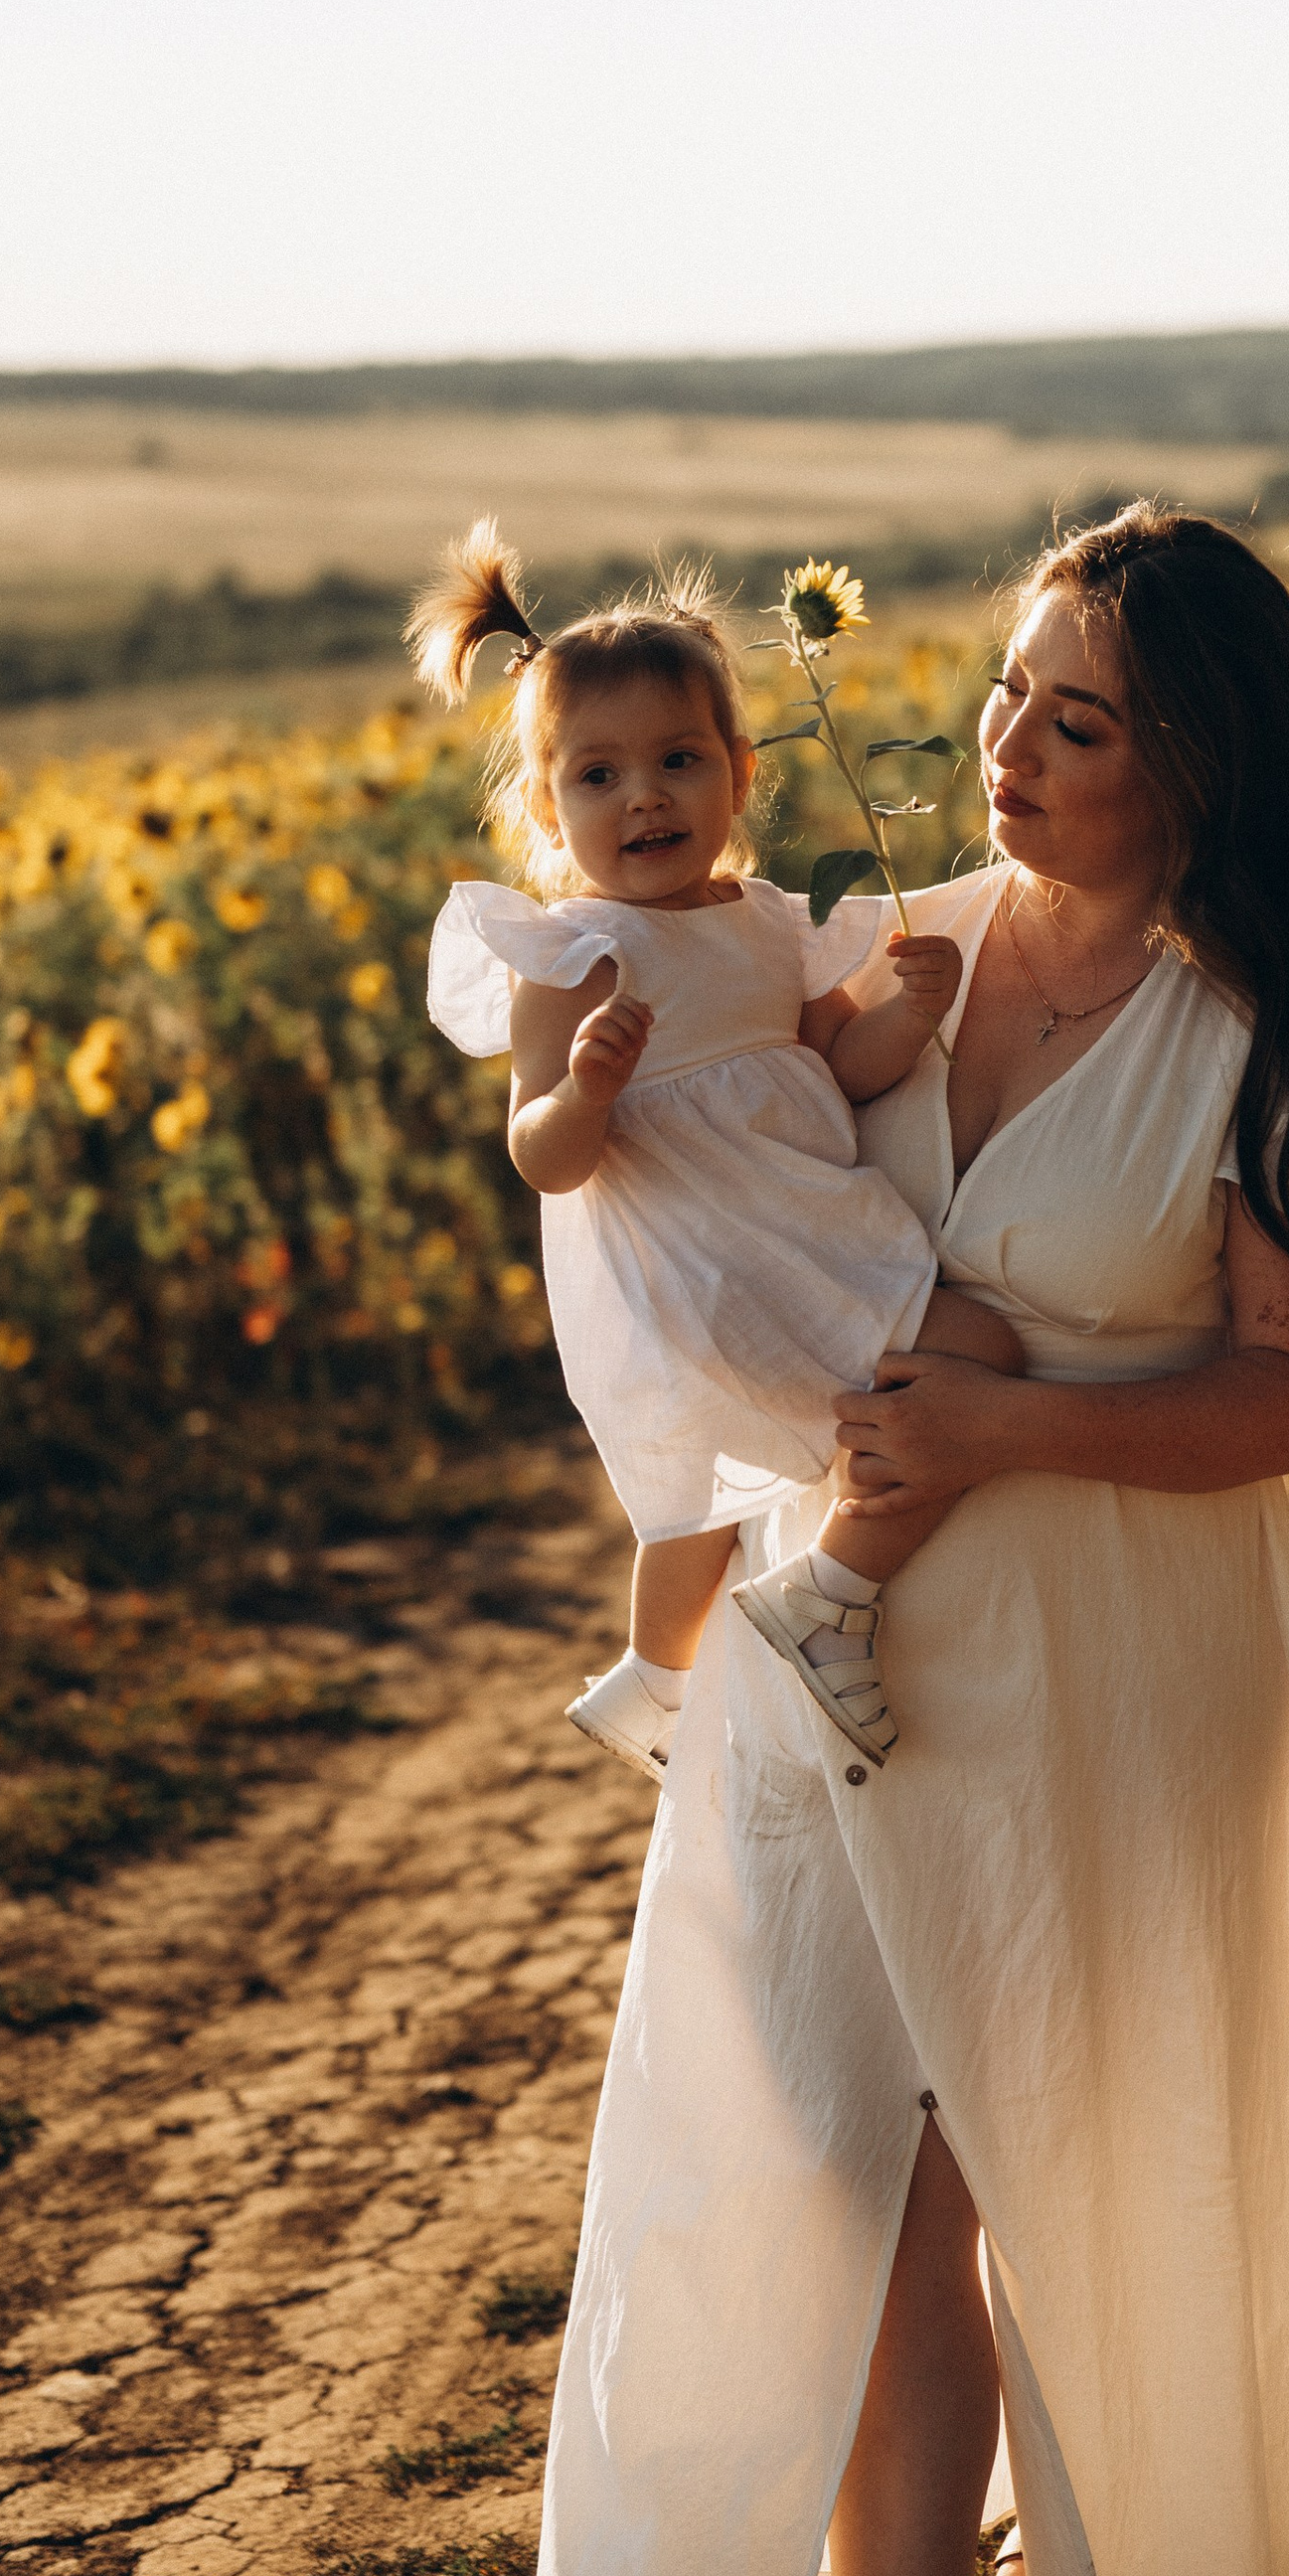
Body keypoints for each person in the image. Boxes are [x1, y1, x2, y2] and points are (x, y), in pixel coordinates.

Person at [525, 504, 1289, 2576]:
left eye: (1075, 722)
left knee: (1031, 2165)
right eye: (1004, 693)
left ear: (1193, 768)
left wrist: (1004, 1426)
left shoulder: (1243, 1028)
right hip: (824, 1658)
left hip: (1099, 1664)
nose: (1008, 748)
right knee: (846, 2176)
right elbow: (677, 1199)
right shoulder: (883, 954)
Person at [415, 522, 1026, 1778]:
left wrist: (907, 1010)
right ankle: (824, 1597)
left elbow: (834, 1061)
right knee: (953, 1368)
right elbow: (539, 1153)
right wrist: (585, 1089)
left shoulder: (766, 923)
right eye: (598, 774)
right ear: (545, 807)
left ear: (740, 775)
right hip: (702, 1256)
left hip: (803, 1224)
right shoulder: (571, 957)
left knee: (734, 1475)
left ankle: (661, 1672)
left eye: (678, 759)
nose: (643, 795)